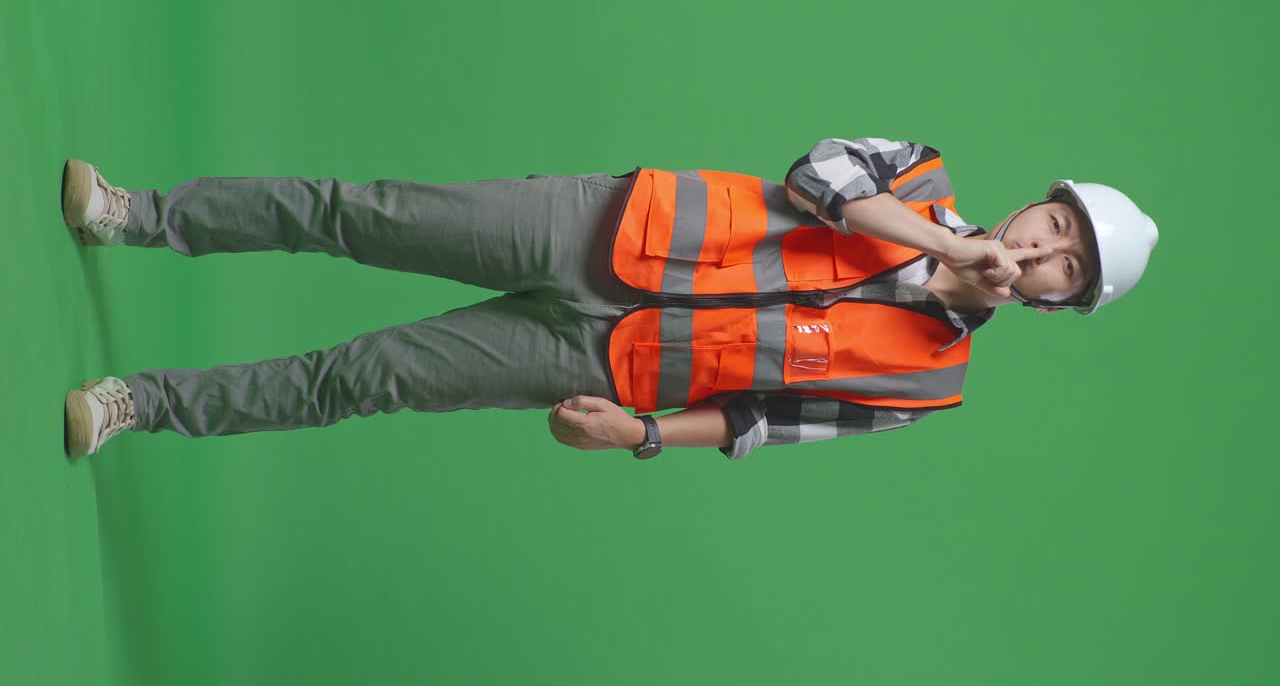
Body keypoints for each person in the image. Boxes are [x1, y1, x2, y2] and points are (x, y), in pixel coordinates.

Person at [61, 137, 1158, 461]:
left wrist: (640, 435)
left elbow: (768, 420)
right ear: (1036, 204)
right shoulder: (919, 174)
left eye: (1066, 267)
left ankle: (139, 405)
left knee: (365, 378)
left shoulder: (928, 385)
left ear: (1055, 305)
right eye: (1055, 225)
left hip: (602, 365)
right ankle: (136, 214)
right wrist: (948, 246)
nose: (1043, 250)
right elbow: (817, 180)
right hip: (600, 226)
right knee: (362, 213)